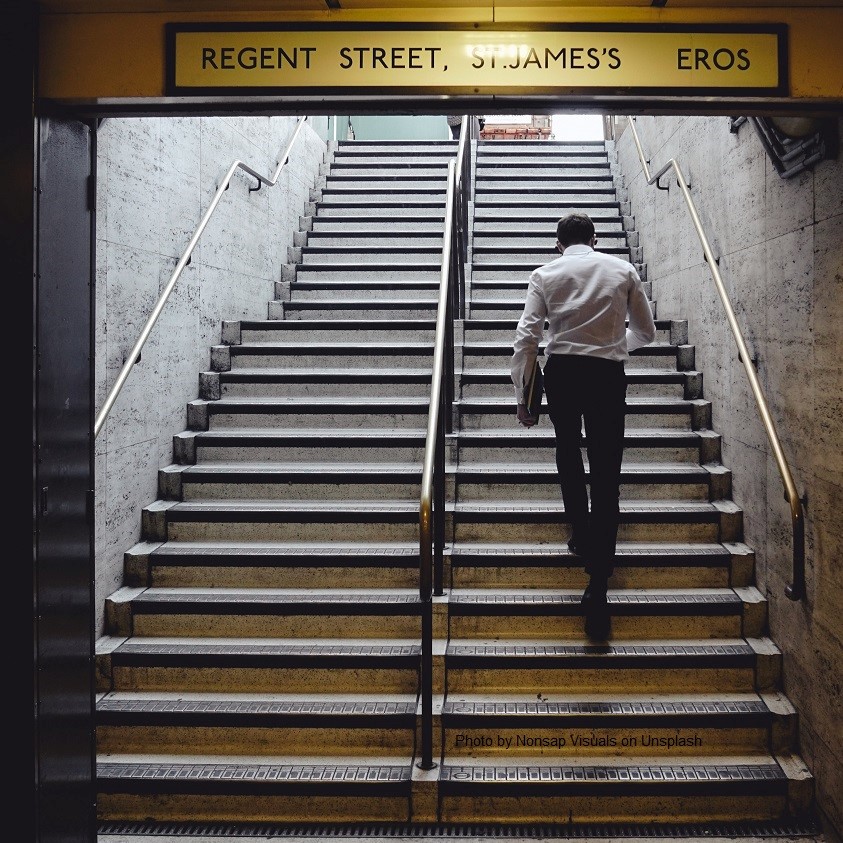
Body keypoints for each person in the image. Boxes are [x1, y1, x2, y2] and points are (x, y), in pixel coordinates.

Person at [510, 212, 656, 640]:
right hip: (607, 376)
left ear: (558, 243)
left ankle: (580, 530)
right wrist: (612, 348)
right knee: (608, 468)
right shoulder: (622, 269)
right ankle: (599, 579)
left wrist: (523, 396)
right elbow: (645, 333)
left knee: (568, 451)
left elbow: (527, 337)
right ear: (594, 238)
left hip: (564, 374)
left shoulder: (544, 274)